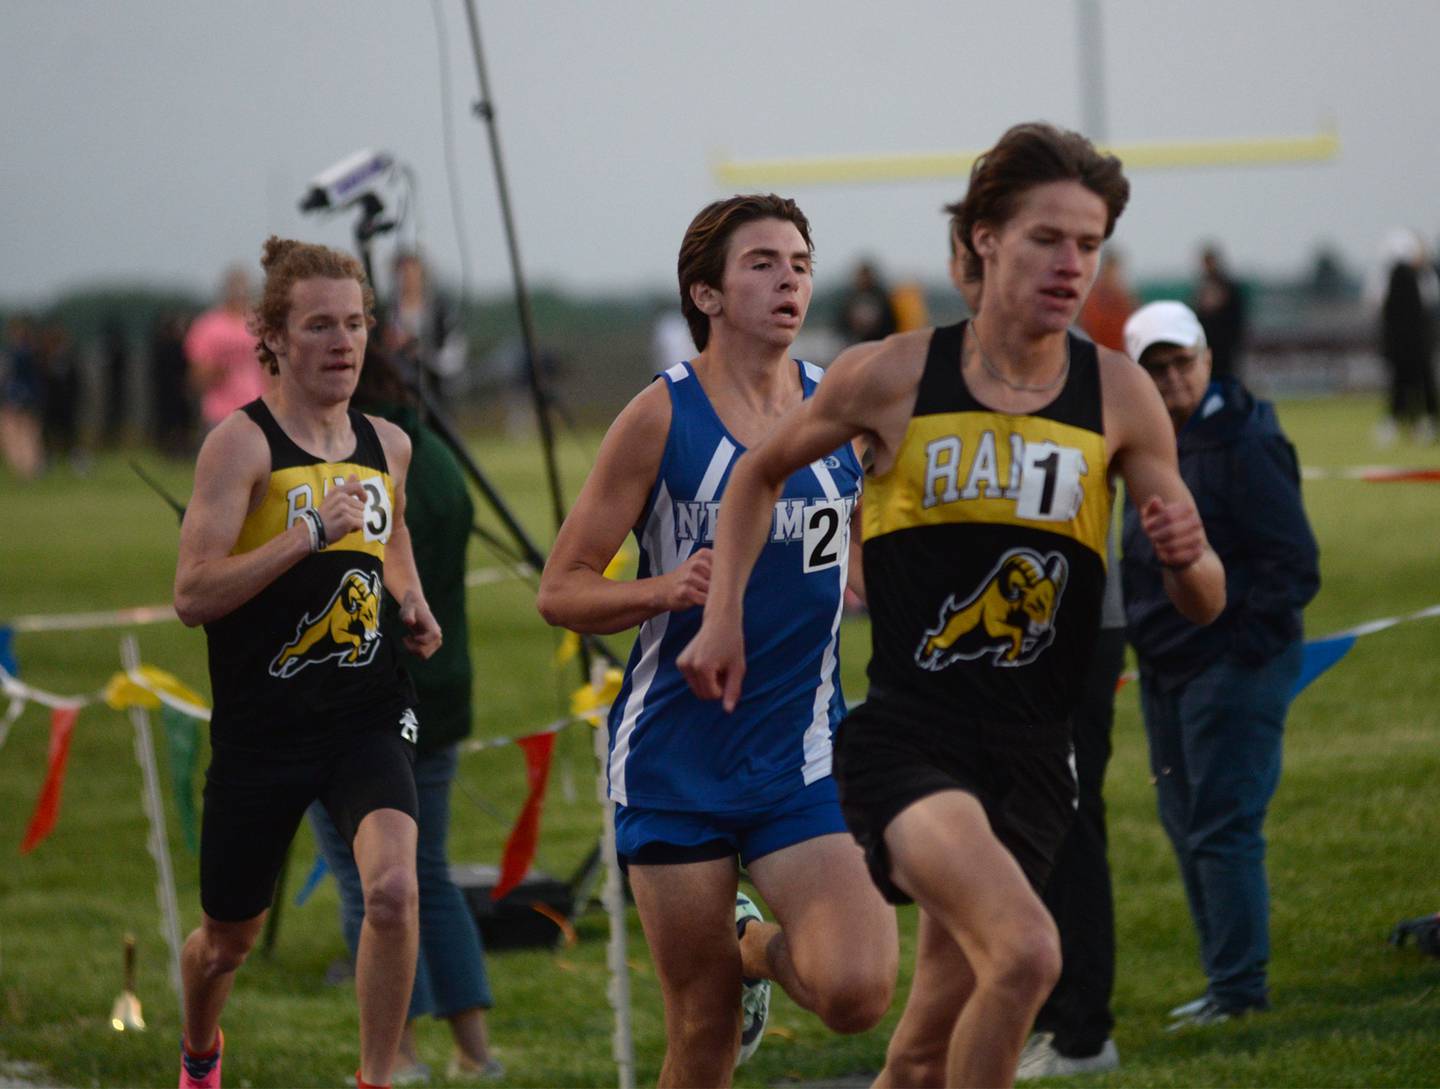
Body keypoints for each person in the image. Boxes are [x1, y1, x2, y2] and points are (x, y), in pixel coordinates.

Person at [678, 122, 1226, 1088]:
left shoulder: (1121, 395)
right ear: (984, 240)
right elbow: (758, 476)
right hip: (913, 742)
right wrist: (722, 614)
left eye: (1090, 244)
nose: (1072, 264)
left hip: (1036, 755)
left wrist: (1188, 559)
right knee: (1026, 955)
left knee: (933, 1037)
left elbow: (1207, 598)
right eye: (1046, 239)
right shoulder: (888, 375)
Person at [536, 194, 897, 1087]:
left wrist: (872, 575)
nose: (790, 280)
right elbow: (561, 587)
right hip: (674, 757)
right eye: (764, 263)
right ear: (706, 291)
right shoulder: (661, 417)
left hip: (801, 752)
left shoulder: (841, 406)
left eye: (801, 263)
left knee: (857, 989)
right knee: (701, 1030)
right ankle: (732, 958)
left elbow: (858, 549)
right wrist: (668, 586)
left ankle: (752, 945)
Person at [172, 236, 442, 1089]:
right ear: (273, 338)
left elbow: (388, 530)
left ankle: (374, 1078)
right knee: (226, 944)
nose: (343, 342)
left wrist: (411, 596)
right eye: (320, 324)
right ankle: (200, 1052)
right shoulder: (240, 447)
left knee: (394, 889)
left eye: (356, 323)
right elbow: (193, 594)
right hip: (262, 729)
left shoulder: (388, 442)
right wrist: (307, 532)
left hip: (365, 709)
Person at [1120, 300, 1319, 1028]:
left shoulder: (1245, 440)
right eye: (1156, 367)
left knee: (1222, 825)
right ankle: (1224, 984)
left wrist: (1233, 643)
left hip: (1229, 664)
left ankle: (1238, 993)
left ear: (1207, 358)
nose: (1173, 378)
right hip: (1166, 666)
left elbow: (1294, 565)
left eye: (1183, 362)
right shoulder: (1146, 445)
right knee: (1186, 823)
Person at [306, 346, 501, 1084]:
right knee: (430, 875)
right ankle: (476, 1050)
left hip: (377, 692)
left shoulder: (375, 460)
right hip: (444, 682)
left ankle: (403, 1053)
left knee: (370, 885)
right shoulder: (443, 461)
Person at [184, 265, 268, 431]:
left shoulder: (260, 325)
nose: (239, 293)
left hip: (258, 409)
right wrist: (214, 372)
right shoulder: (207, 326)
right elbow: (197, 375)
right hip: (219, 412)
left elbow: (272, 371)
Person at [1375, 229, 1439, 444]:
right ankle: (1402, 422)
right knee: (1403, 382)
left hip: (1417, 341)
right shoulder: (1398, 276)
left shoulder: (1423, 276)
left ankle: (1424, 423)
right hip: (1405, 341)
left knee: (1421, 382)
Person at [1192, 245, 1248, 382]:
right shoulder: (1202, 287)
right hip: (1208, 344)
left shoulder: (1227, 286)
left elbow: (1236, 316)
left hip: (1225, 345)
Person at [1077, 249, 1136, 351]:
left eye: (1115, 270)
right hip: (1097, 352)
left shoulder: (1124, 298)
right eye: (1110, 269)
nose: (1113, 274)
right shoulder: (1092, 297)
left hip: (1120, 353)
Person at [837, 259, 899, 345]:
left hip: (878, 342)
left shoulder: (881, 296)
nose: (863, 279)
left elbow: (891, 320)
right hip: (856, 343)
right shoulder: (851, 297)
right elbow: (841, 322)